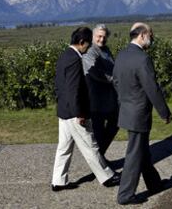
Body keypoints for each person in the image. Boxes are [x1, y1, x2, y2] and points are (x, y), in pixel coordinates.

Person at [51, 27, 120, 192]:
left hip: (64, 111)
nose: (88, 48)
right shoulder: (75, 59)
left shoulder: (64, 56)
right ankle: (107, 177)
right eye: (88, 45)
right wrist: (80, 113)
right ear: (81, 42)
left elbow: (60, 86)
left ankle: (58, 180)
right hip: (75, 113)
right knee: (91, 146)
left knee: (64, 147)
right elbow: (74, 89)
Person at [113, 22, 172, 205]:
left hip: (127, 110)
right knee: (134, 155)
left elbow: (115, 81)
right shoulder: (142, 59)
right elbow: (152, 89)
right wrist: (164, 112)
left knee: (142, 151)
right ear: (142, 35)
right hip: (138, 113)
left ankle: (154, 184)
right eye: (151, 35)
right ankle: (125, 195)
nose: (152, 39)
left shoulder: (121, 55)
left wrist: (124, 101)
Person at [82, 24, 119, 157]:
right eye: (99, 36)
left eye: (104, 37)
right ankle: (99, 163)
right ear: (93, 36)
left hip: (108, 98)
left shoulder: (106, 50)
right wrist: (114, 79)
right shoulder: (90, 51)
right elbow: (94, 72)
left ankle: (99, 158)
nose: (102, 39)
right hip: (95, 99)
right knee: (98, 131)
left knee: (114, 124)